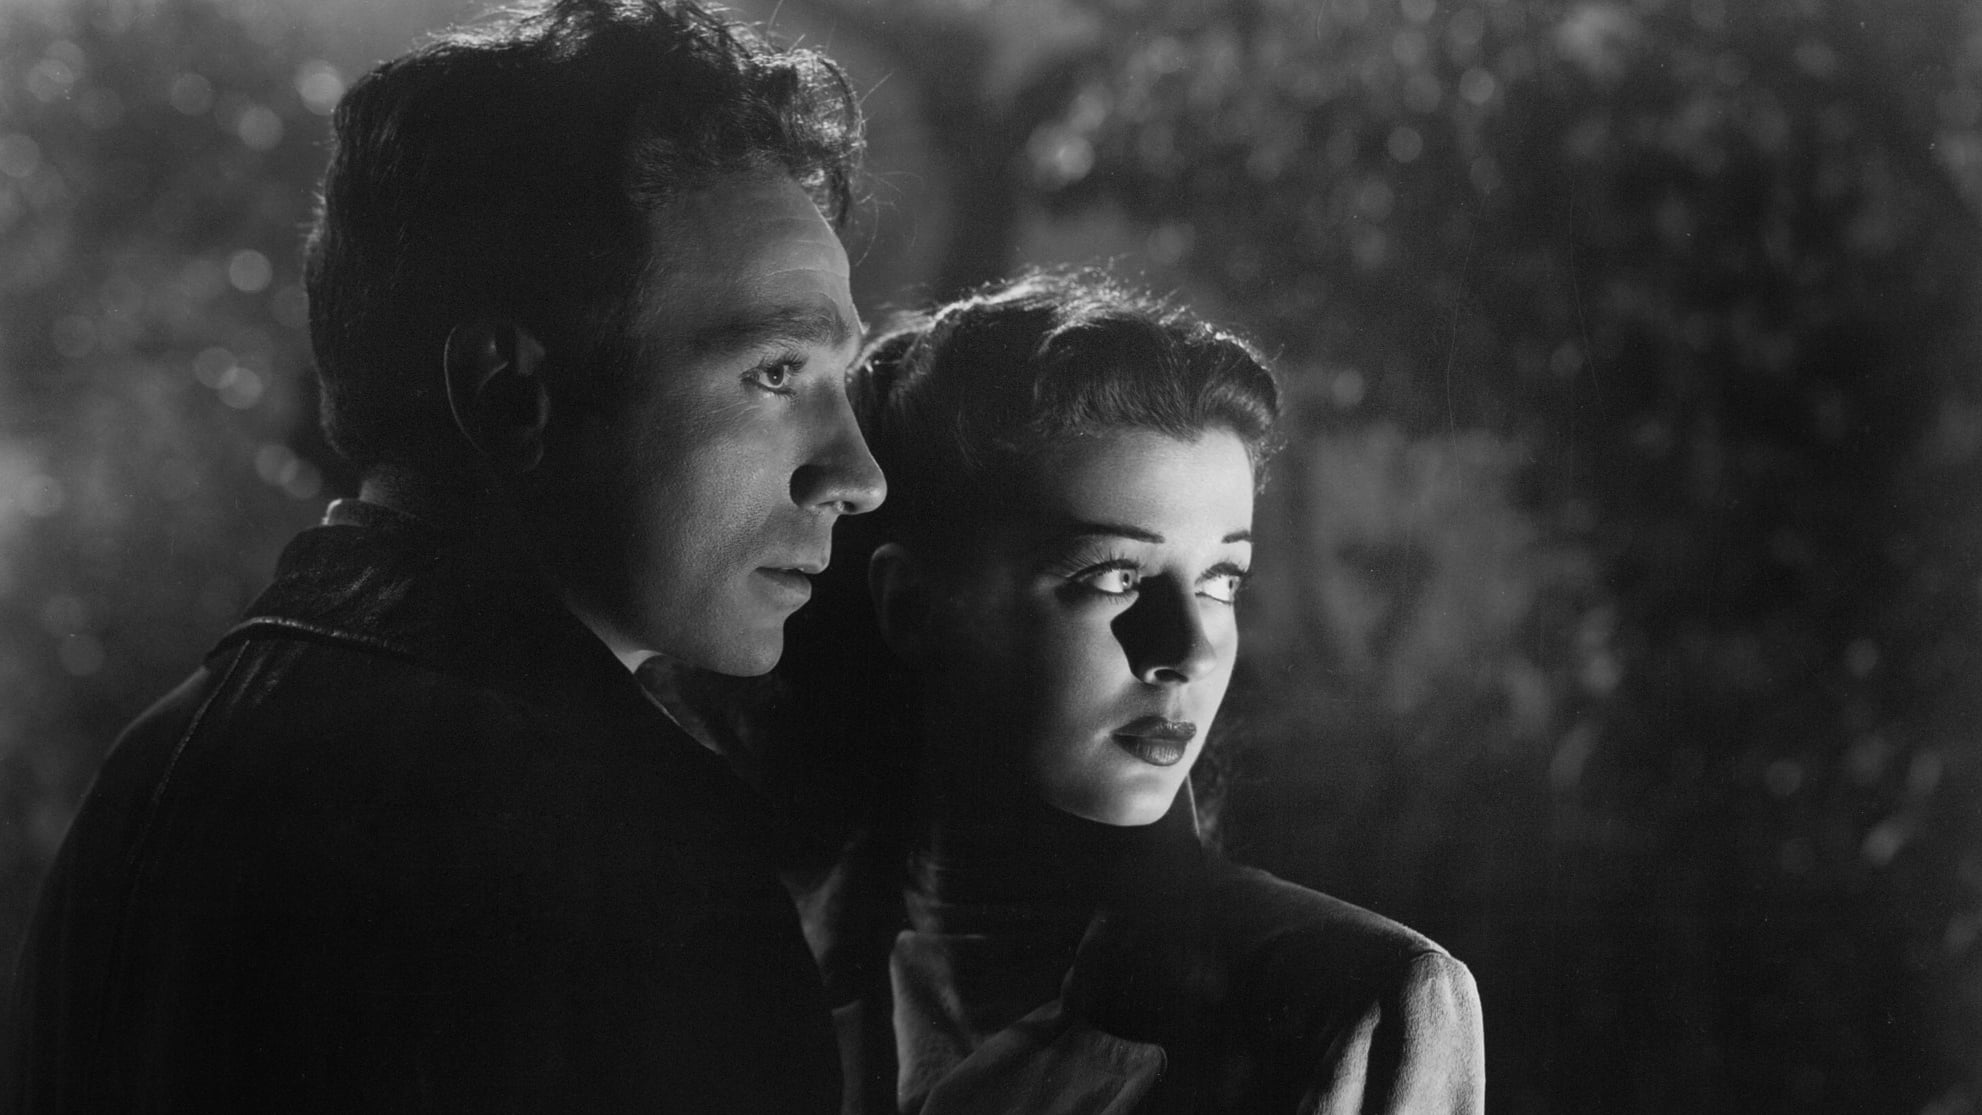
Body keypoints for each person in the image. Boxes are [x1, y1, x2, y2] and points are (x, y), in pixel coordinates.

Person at [7, 1, 883, 1109]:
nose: (856, 473)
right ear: (511, 392)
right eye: (775, 372)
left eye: (841, 379)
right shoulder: (628, 857)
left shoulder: (150, 779)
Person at [761, 271, 1485, 1114]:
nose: (1189, 650)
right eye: (1113, 575)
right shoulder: (763, 974)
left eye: (1222, 579)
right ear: (914, 608)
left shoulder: (1349, 1004)